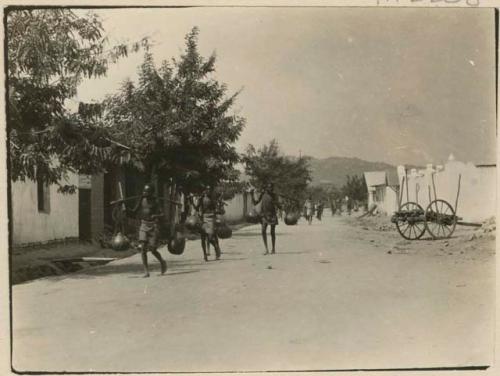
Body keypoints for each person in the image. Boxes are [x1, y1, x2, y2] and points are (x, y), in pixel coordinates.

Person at [127, 184, 167, 278]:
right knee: (143, 248)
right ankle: (146, 271)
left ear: (151, 193)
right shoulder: (141, 200)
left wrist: (155, 216)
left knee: (153, 249)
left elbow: (162, 214)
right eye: (144, 191)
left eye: (146, 192)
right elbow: (134, 212)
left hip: (153, 226)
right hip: (143, 225)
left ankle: (162, 261)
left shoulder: (156, 201)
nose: (144, 193)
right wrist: (126, 209)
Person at [192, 186, 222, 261]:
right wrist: (191, 202)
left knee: (210, 237)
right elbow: (196, 208)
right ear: (204, 191)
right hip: (203, 218)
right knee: (202, 238)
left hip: (211, 218)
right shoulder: (201, 199)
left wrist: (216, 211)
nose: (208, 191)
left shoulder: (212, 199)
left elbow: (216, 209)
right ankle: (205, 255)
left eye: (209, 190)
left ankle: (216, 247)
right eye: (207, 189)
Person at [251, 183, 281, 255]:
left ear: (272, 188)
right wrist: (251, 194)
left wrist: (276, 203)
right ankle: (266, 249)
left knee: (272, 232)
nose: (270, 189)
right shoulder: (262, 194)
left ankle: (273, 249)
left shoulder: (274, 195)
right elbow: (256, 202)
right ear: (267, 188)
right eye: (269, 188)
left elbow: (279, 205)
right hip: (264, 215)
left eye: (271, 188)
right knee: (263, 230)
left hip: (272, 215)